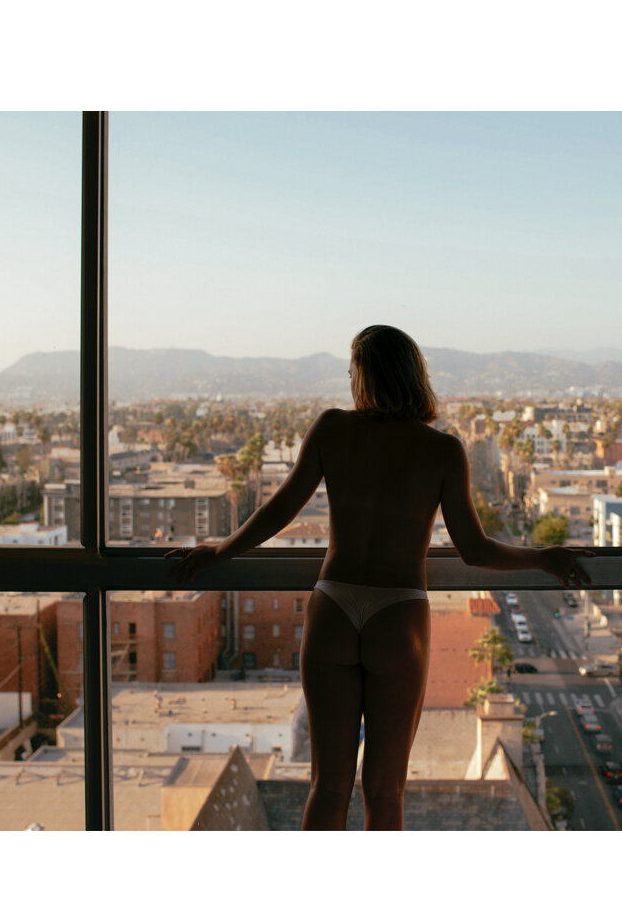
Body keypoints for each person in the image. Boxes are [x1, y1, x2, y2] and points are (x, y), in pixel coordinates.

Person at [167, 324, 594, 831]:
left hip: (333, 607)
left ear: (366, 378)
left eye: (352, 374)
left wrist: (220, 551)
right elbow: (476, 551)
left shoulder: (331, 429)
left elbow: (279, 510)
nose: (350, 383)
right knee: (385, 791)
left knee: (327, 786)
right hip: (398, 615)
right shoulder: (442, 450)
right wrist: (544, 557)